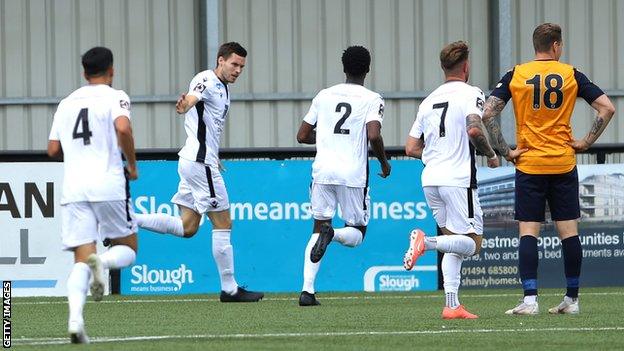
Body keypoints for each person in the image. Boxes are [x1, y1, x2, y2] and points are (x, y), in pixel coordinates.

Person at [482, 23, 615, 315]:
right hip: (563, 162)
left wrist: (507, 151)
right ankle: (572, 299)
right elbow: (606, 108)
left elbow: (489, 112)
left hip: (529, 163)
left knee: (529, 231)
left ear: (536, 46)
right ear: (556, 46)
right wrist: (585, 142)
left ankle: (530, 300)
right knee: (569, 232)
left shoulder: (517, 74)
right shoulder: (571, 74)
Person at [134, 42, 263, 303]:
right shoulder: (206, 79)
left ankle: (127, 219)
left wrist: (214, 156)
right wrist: (184, 104)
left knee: (188, 227)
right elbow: (192, 99)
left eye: (241, 67)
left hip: (197, 161)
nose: (238, 70)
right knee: (223, 223)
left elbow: (208, 126)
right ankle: (230, 289)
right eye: (234, 64)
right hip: (199, 164)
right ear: (220, 60)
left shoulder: (224, 88)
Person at [47, 47, 140, 343]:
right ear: (111, 70)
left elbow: (52, 149)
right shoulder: (116, 96)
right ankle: (104, 262)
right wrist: (132, 163)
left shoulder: (66, 103)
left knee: (79, 260)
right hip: (108, 182)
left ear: (84, 73)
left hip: (74, 187)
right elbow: (123, 128)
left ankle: (75, 321)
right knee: (128, 247)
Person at [404, 41, 499, 319]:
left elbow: (410, 147)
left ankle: (452, 304)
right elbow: (474, 129)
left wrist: (434, 157)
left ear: (443, 67)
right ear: (466, 67)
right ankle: (426, 242)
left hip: (430, 178)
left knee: (454, 243)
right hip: (457, 180)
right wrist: (491, 155)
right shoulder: (472, 93)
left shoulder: (428, 100)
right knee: (472, 244)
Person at [296, 45, 391, 306]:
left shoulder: (324, 95)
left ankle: (307, 291)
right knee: (357, 232)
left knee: (317, 226)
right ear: (368, 69)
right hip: (353, 173)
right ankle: (334, 235)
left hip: (323, 171)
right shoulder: (372, 98)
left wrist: (327, 138)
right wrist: (384, 162)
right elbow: (373, 134)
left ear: (343, 68)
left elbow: (302, 135)